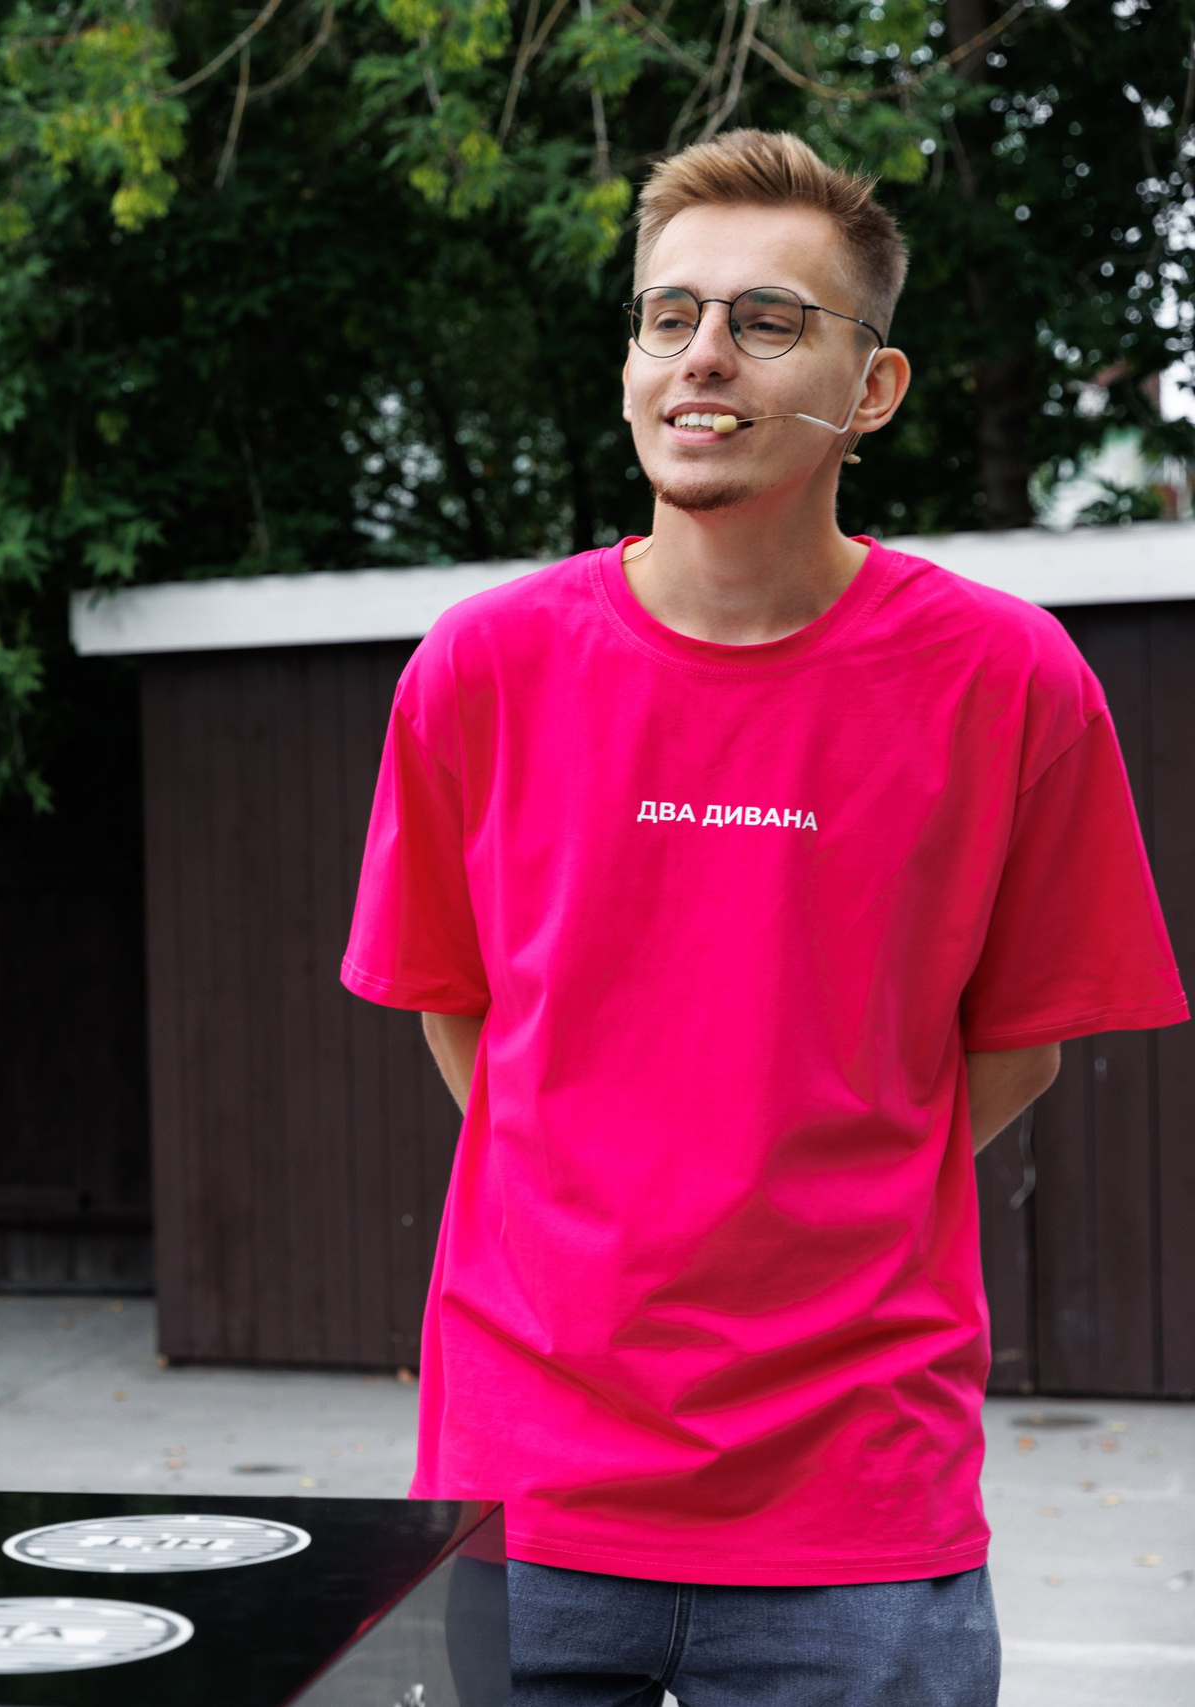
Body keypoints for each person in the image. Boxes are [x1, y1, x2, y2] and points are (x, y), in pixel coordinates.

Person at [342, 130, 1185, 1705]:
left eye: (767, 320)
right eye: (669, 316)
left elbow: (1016, 1052)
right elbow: (464, 1019)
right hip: (528, 1490)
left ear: (873, 391)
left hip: (859, 1506)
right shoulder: (480, 670)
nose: (703, 356)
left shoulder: (1010, 685)